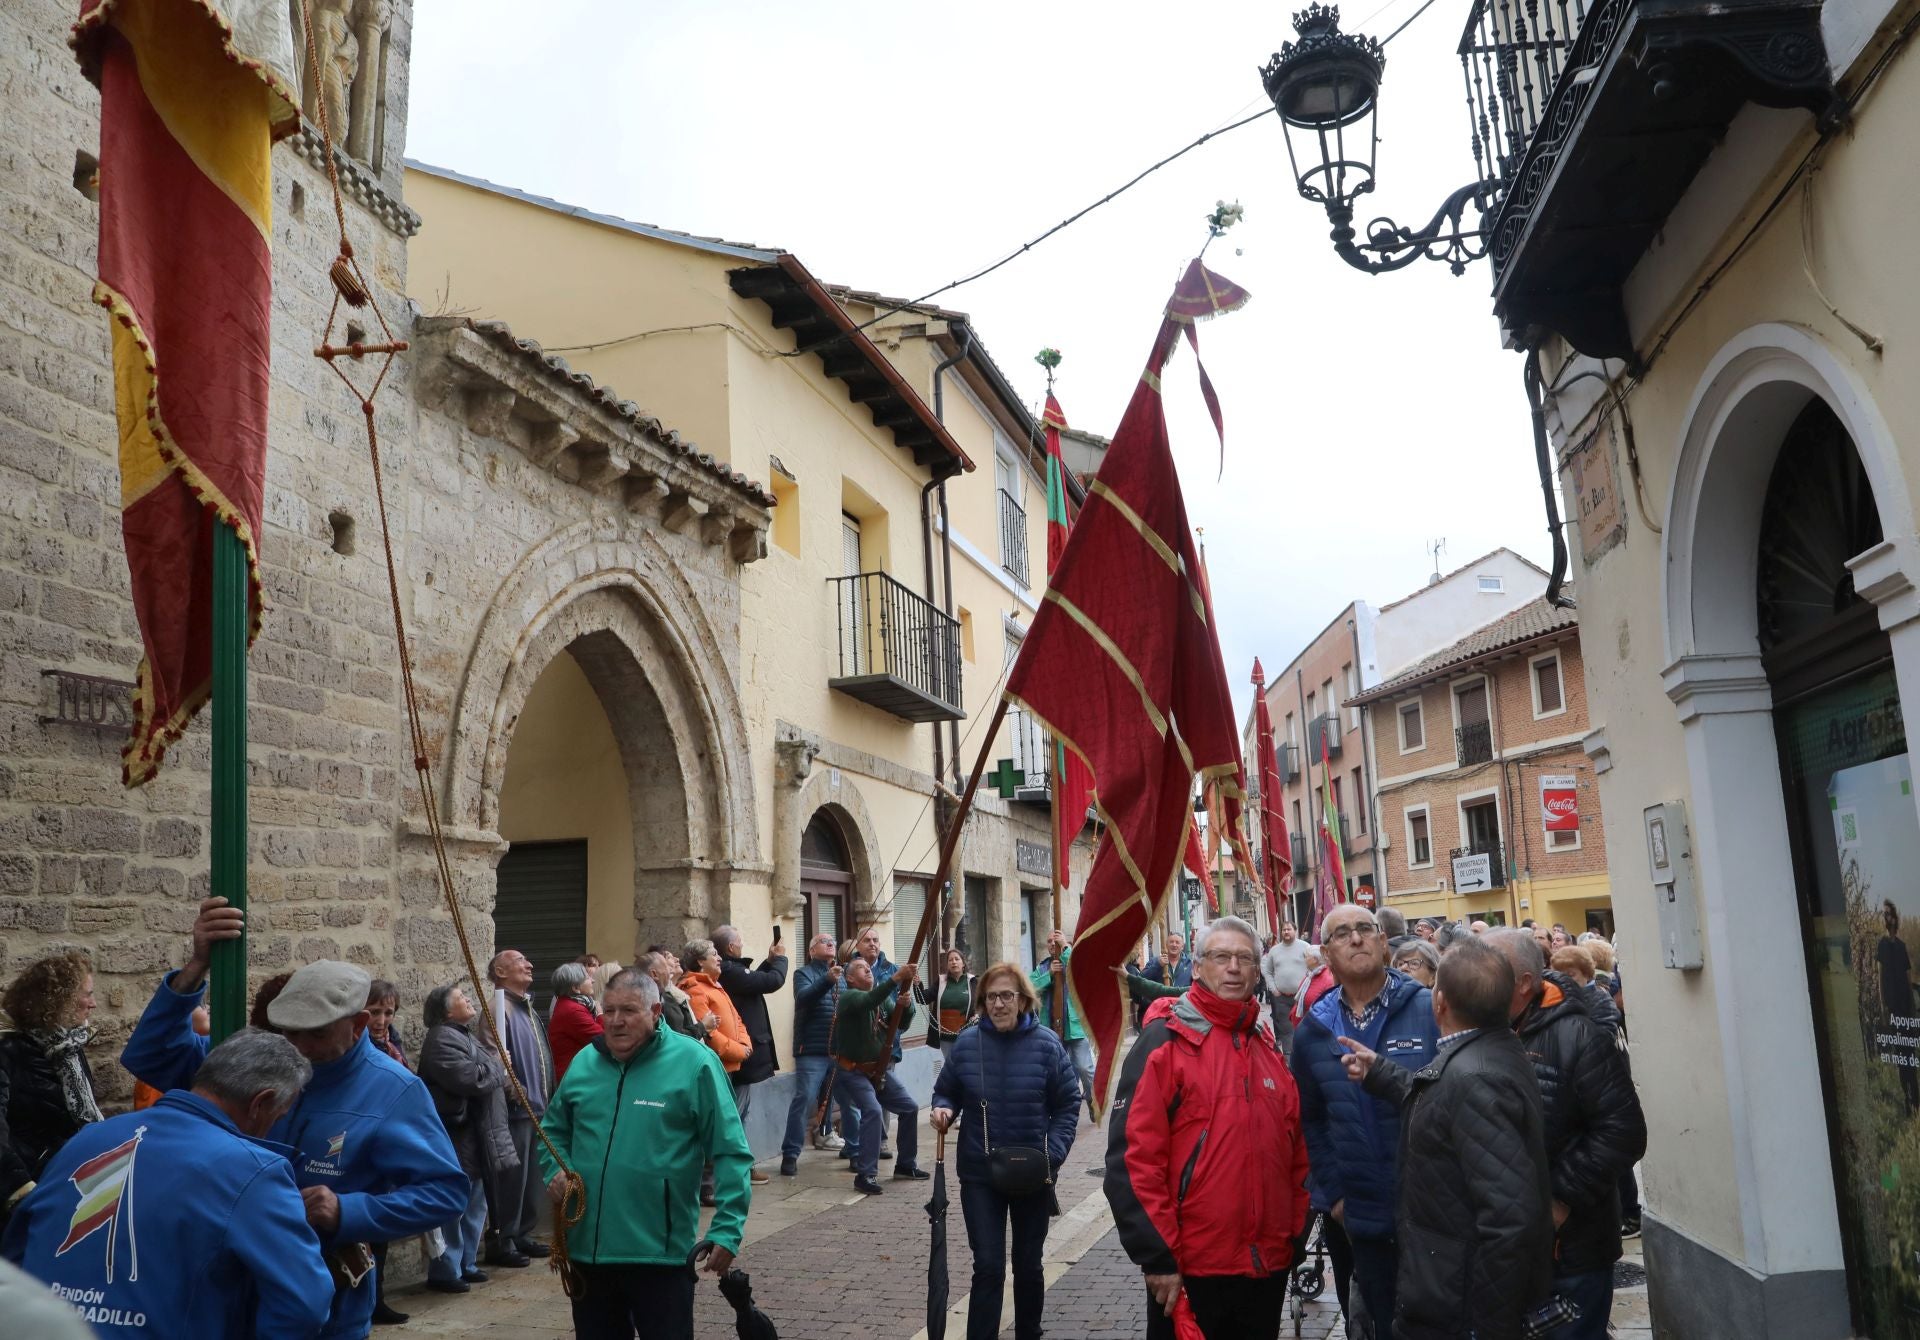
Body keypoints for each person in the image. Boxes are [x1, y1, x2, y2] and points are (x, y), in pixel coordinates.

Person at [120, 922, 467, 1340]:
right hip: (224, 1292)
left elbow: (446, 1193)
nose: (297, 1046)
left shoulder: (395, 1091)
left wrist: (348, 1210)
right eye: (287, 1030)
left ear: (358, 1024)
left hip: (327, 1307)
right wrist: (195, 969)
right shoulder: (255, 1058)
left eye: (315, 1034)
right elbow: (148, 1055)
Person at [3, 1029, 335, 1339]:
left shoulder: (87, 1139)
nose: (272, 1128)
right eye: (278, 1117)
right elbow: (305, 1302)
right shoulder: (254, 1171)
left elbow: (18, 1248)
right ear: (261, 1103)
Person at [1337, 938, 1555, 1340]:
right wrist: (1381, 1072)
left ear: (1439, 1003)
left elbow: (1509, 1218)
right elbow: (1445, 1105)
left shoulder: (1476, 1077)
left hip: (1459, 1302)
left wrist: (1489, 1324)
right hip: (1452, 1286)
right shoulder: (1486, 1053)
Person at [1106, 916, 1308, 1340]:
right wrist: (1158, 1257)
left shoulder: (1266, 1044)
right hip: (1191, 1268)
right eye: (1221, 957)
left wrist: (1293, 1233)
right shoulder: (1165, 1042)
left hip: (1264, 1265)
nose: (1233, 967)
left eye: (1244, 959)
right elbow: (1133, 1160)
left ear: (1258, 971)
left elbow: (1296, 1152)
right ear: (1197, 968)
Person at [540, 968, 751, 1339]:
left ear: (656, 1012)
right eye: (609, 1011)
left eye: (630, 1011)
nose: (617, 1022)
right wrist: (557, 1170)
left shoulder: (695, 1063)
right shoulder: (585, 1062)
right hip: (589, 1253)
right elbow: (552, 1130)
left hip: (660, 1255)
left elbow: (731, 1150)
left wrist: (728, 1228)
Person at [1485, 930, 1647, 1339]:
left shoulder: (1580, 1035)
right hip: (1506, 1249)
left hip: (1571, 1250)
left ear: (1523, 982)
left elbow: (1624, 1132)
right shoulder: (1483, 1030)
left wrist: (1559, 1200)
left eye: (1487, 968)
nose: (1475, 976)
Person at [1291, 903, 1440, 1339]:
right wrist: (1335, 1195)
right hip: (1362, 1216)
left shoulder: (1429, 1008)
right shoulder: (1312, 1032)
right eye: (1341, 933)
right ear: (1326, 953)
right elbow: (1312, 1120)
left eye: (1364, 929)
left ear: (1382, 942)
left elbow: (1457, 1096)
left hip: (1433, 1212)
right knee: (1379, 1323)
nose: (1355, 938)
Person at [931, 962, 1079, 1340]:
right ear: (982, 1002)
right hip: (980, 1175)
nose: (998, 1004)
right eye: (991, 997)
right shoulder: (967, 1044)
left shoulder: (1047, 1044)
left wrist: (1054, 1154)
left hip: (1033, 1172)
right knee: (989, 1266)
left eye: (1006, 996)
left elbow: (1067, 1104)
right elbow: (946, 1089)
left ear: (1024, 1000)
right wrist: (944, 1108)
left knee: (1028, 1265)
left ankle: (1029, 1332)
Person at [417, 983, 515, 1295]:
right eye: (462, 998)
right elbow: (469, 1079)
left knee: (476, 1204)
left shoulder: (462, 1035)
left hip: (477, 1135)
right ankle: (446, 1269)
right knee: (456, 1205)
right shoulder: (442, 1038)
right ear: (446, 1011)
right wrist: (499, 1067)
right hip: (458, 1136)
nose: (469, 1000)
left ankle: (467, 1263)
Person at [1, 951, 102, 1223]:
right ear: (59, 1001)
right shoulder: (8, 1051)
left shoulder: (66, 1048)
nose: (93, 1004)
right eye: (87, 994)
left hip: (68, 1182)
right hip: (28, 1196)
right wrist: (22, 1192)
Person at [831, 953, 925, 1195]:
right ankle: (866, 1174)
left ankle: (906, 1164)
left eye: (868, 967)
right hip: (852, 1070)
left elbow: (900, 1023)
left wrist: (907, 1005)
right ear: (850, 978)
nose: (868, 970)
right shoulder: (850, 997)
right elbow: (869, 1000)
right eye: (861, 968)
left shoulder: (881, 999)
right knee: (872, 1111)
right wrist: (896, 978)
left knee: (909, 1107)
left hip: (877, 1069)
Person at [482, 948, 553, 1267]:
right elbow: (496, 1060)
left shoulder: (527, 1009)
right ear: (500, 971)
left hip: (538, 1109)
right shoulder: (497, 1011)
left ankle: (523, 1232)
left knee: (532, 1180)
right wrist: (520, 1094)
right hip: (517, 1109)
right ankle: (503, 1238)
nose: (530, 964)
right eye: (520, 961)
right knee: (512, 1179)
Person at [681, 939, 756, 1202]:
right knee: (715, 1128)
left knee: (727, 1125)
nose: (719, 958)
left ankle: (721, 1180)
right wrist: (738, 1051)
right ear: (699, 961)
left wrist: (745, 1045)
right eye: (713, 954)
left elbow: (736, 1020)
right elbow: (708, 1033)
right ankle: (707, 1185)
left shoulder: (716, 986)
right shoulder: (695, 989)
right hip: (715, 1066)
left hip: (730, 1065)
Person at [714, 923, 788, 1189]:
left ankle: (742, 1165)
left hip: (742, 1052)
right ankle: (737, 1169)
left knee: (740, 1113)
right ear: (731, 947)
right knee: (736, 1115)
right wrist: (780, 960)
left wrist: (769, 962)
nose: (742, 945)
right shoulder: (729, 970)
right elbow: (770, 982)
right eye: (740, 942)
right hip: (739, 1055)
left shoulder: (732, 972)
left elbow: (753, 982)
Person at [781, 932, 858, 1176]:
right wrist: (826, 979)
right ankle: (790, 1155)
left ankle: (855, 1152)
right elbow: (804, 998)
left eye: (833, 942)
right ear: (812, 950)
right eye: (824, 942)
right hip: (811, 1051)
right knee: (804, 1099)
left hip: (839, 1051)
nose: (831, 944)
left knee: (849, 1101)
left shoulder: (843, 975)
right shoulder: (803, 973)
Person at [362, 978, 410, 1325]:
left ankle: (376, 1298)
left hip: (389, 1146)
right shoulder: (362, 1048)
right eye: (375, 1012)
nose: (381, 1020)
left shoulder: (392, 1045)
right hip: (365, 1146)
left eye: (387, 1013)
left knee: (381, 1230)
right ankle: (366, 1300)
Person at [1030, 930, 1095, 1119]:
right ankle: (1058, 1110)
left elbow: (1082, 969)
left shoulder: (1072, 960)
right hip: (1050, 1027)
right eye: (1049, 941)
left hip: (1074, 1025)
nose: (1052, 944)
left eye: (1055, 940)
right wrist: (1049, 975)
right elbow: (1029, 986)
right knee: (1053, 1071)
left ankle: (1092, 1099)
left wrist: (1066, 947)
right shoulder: (1043, 967)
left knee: (1084, 1067)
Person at [1882, 902, 1919, 1114]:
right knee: (1901, 1057)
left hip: (1905, 1008)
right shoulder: (1882, 946)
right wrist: (1882, 1005)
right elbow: (1879, 977)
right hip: (1894, 1009)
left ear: (1896, 919)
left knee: (1909, 1054)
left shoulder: (1903, 946)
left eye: (1890, 915)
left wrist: (1913, 1008)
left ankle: (1916, 1100)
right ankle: (1907, 1099)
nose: (1888, 919)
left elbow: (1907, 978)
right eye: (1885, 915)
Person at [546, 962, 604, 1084]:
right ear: (576, 988)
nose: (592, 981)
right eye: (588, 978)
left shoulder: (569, 1005)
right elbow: (603, 1039)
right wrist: (600, 1015)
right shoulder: (572, 1010)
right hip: (575, 1078)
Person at [1260, 922, 1312, 1056]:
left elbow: (1314, 968)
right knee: (1286, 1031)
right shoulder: (1274, 951)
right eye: (1284, 930)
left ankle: (1306, 1055)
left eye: (1289, 929)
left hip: (1301, 998)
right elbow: (1267, 971)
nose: (1286, 932)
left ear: (1295, 930)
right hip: (1282, 999)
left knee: (1304, 1028)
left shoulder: (1305, 947)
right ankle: (1290, 1060)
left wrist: (1308, 987)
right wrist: (1273, 988)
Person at [646, 950, 708, 1041]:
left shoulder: (678, 994)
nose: (677, 959)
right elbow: (678, 1035)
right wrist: (703, 1026)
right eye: (669, 957)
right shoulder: (665, 998)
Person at [931, 947, 977, 1047]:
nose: (954, 962)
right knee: (950, 1062)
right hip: (945, 1037)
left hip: (967, 1035)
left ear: (963, 963)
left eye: (957, 959)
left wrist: (978, 1015)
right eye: (950, 960)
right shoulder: (941, 981)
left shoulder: (972, 981)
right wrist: (917, 984)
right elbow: (923, 998)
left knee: (965, 1062)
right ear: (947, 965)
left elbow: (984, 1002)